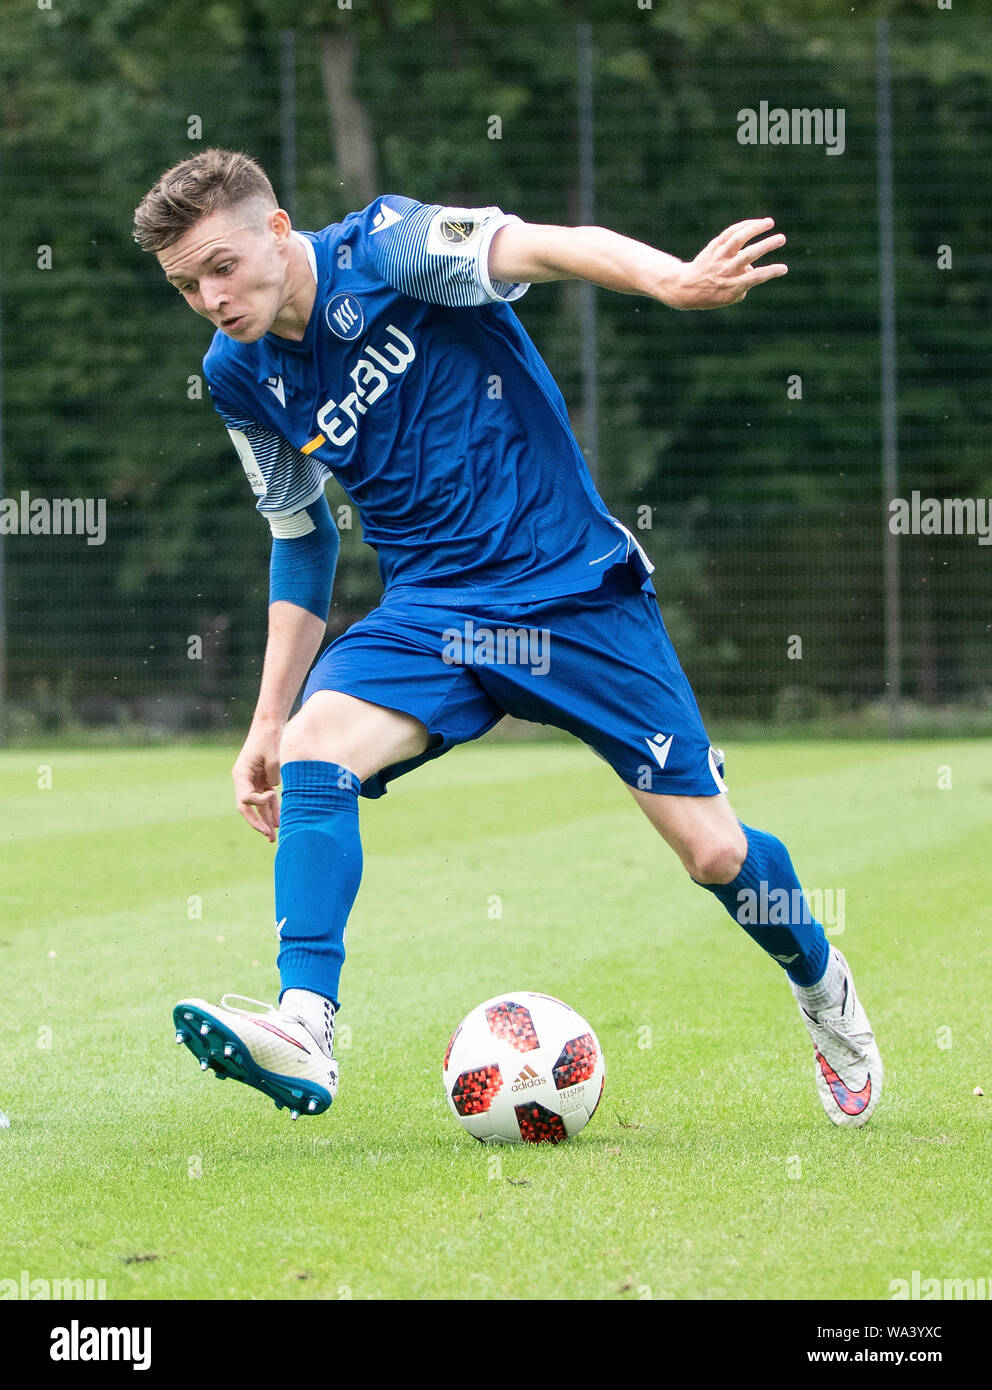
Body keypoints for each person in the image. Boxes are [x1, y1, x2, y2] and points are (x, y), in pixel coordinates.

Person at [134, 148, 881, 1127]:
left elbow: (547, 245)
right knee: (317, 749)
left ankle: (821, 986)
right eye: (186, 283)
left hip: (572, 590)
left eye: (220, 266)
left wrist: (670, 278)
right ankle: (306, 1023)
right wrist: (265, 720)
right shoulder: (237, 376)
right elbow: (301, 537)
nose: (208, 296)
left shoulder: (391, 246)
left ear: (277, 228)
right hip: (433, 612)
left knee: (711, 853)